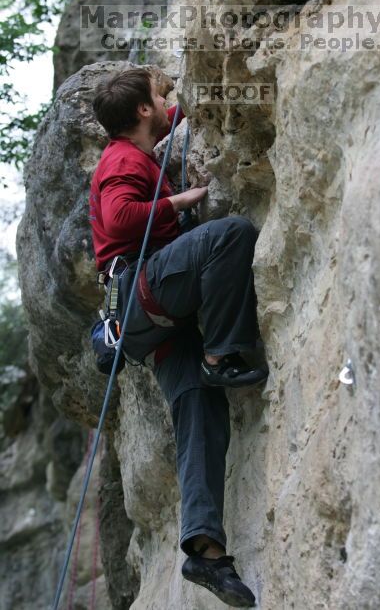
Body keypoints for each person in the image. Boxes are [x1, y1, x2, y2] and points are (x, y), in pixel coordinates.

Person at [89, 66, 267, 607]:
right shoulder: (122, 159)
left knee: (199, 413)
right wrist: (184, 201)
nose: (168, 102)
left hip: (154, 319)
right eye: (160, 97)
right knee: (229, 235)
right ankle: (221, 352)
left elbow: (179, 114)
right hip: (145, 289)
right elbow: (120, 219)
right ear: (143, 111)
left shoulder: (140, 149)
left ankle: (206, 552)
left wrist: (197, 91)